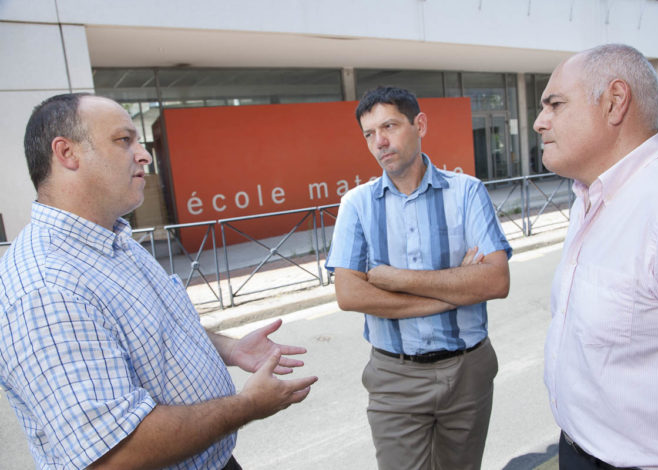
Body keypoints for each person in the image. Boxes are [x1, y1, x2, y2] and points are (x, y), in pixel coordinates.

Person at [0, 93, 318, 470]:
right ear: (67, 153)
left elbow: (156, 332)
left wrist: (230, 349)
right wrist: (248, 405)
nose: (144, 155)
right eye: (124, 140)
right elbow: (113, 454)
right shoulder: (46, 289)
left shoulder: (113, 240)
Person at [536, 44, 658, 469]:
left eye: (555, 104)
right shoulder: (587, 197)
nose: (540, 122)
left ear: (615, 101)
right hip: (576, 449)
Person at [325, 86, 512, 469]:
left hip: (467, 372)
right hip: (395, 376)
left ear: (419, 124)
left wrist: (395, 278)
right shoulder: (356, 205)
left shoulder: (467, 192)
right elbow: (349, 295)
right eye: (369, 134)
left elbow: (496, 282)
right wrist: (455, 288)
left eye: (390, 126)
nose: (380, 141)